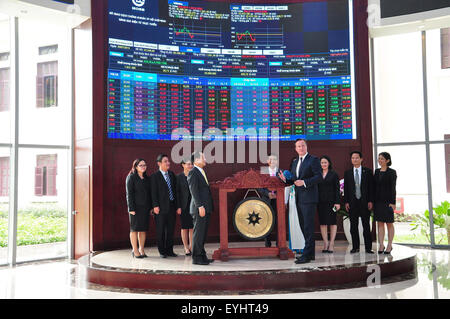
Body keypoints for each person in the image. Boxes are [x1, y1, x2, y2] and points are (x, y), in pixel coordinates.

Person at [279, 139, 322, 264]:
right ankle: (310, 254)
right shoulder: (295, 162)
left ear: (306, 146)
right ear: (295, 148)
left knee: (308, 227)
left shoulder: (313, 160)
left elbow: (319, 176)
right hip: (299, 198)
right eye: (298, 146)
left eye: (303, 145)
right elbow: (293, 180)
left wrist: (304, 182)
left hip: (309, 198)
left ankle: (306, 255)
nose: (301, 148)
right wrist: (285, 180)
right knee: (304, 226)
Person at [150, 154, 181, 258]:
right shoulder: (154, 176)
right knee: (161, 230)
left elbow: (176, 191)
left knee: (171, 230)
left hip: (172, 207)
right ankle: (162, 251)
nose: (168, 163)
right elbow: (153, 192)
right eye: (165, 161)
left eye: (168, 161)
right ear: (159, 163)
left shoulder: (172, 174)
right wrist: (155, 206)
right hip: (160, 208)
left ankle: (169, 250)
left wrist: (178, 206)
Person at [344, 151, 375, 254]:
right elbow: (347, 189)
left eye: (357, 158)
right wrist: (346, 202)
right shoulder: (347, 173)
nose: (355, 160)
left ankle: (368, 248)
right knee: (353, 226)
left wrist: (371, 200)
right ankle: (355, 247)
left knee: (366, 225)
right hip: (352, 203)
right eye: (353, 158)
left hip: (365, 202)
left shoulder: (368, 171)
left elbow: (371, 188)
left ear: (361, 159)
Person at [187, 151, 214, 265]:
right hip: (200, 208)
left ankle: (202, 255)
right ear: (197, 160)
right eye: (203, 157)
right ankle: (196, 258)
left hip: (205, 207)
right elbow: (194, 191)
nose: (205, 159)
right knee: (198, 233)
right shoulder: (193, 172)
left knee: (202, 233)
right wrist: (200, 206)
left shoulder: (201, 171)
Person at [125, 159, 152, 259]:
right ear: (136, 167)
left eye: (144, 165)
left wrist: (150, 207)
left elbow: (149, 195)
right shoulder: (131, 177)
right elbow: (129, 194)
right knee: (134, 229)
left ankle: (141, 249)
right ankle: (135, 250)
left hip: (145, 208)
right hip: (135, 208)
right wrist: (131, 208)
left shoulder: (147, 178)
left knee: (143, 229)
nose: (143, 167)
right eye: (141, 165)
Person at [374, 152, 397, 255]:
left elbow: (393, 188)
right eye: (379, 159)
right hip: (378, 201)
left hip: (388, 202)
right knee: (380, 223)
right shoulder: (377, 171)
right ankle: (381, 244)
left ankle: (389, 244)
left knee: (389, 223)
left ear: (387, 160)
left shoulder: (392, 172)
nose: (380, 161)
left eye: (382, 159)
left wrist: (393, 202)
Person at [317, 155, 340, 254]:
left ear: (329, 163)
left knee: (332, 222)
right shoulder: (317, 174)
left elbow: (337, 189)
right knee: (323, 223)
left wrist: (337, 202)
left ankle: (331, 243)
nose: (323, 164)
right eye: (322, 163)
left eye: (325, 162)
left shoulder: (334, 174)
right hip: (320, 202)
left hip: (332, 203)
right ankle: (325, 243)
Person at [257, 154, 281, 247]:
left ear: (277, 161)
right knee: (266, 221)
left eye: (275, 159)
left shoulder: (281, 172)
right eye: (271, 159)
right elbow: (259, 187)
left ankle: (279, 243)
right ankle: (267, 243)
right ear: (268, 161)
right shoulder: (263, 172)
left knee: (278, 222)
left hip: (278, 200)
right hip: (266, 200)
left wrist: (277, 195)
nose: (273, 161)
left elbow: (284, 186)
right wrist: (268, 194)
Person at [176, 157, 194, 256]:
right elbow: (177, 193)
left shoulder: (194, 175)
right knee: (184, 227)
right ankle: (186, 247)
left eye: (191, 164)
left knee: (192, 227)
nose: (190, 166)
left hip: (193, 204)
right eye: (188, 164)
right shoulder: (178, 177)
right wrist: (178, 206)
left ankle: (191, 246)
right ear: (183, 165)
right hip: (183, 205)